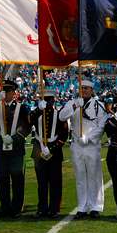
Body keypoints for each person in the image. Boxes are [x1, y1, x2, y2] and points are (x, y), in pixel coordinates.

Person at [59, 79, 108, 219]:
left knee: (94, 175)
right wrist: (75, 105)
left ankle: (95, 206)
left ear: (92, 90)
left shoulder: (98, 105)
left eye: (87, 88)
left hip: (91, 145)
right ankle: (82, 206)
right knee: (80, 176)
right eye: (82, 88)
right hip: (77, 145)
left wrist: (89, 137)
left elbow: (101, 125)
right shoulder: (72, 103)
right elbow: (62, 117)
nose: (84, 90)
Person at [0, 79, 30, 219]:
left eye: (8, 91)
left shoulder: (21, 107)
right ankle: (5, 207)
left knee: (17, 178)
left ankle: (17, 208)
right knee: (2, 179)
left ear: (14, 93)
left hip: (16, 147)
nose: (6, 94)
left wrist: (16, 137)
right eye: (4, 91)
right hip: (1, 147)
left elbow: (27, 127)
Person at [30, 89, 67, 219]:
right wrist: (38, 110)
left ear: (53, 100)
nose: (47, 103)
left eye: (49, 100)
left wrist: (51, 147)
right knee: (42, 182)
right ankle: (42, 208)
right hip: (39, 149)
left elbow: (64, 135)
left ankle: (54, 208)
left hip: (54, 152)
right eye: (45, 100)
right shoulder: (38, 113)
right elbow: (29, 120)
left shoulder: (59, 115)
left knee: (55, 181)